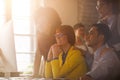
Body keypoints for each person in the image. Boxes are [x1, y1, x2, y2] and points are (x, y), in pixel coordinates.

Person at [33, 7, 62, 77]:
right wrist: (35, 74)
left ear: (51, 23)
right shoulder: (41, 37)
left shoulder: (59, 34)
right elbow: (37, 57)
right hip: (48, 72)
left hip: (60, 71)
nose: (38, 25)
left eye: (42, 22)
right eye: (37, 22)